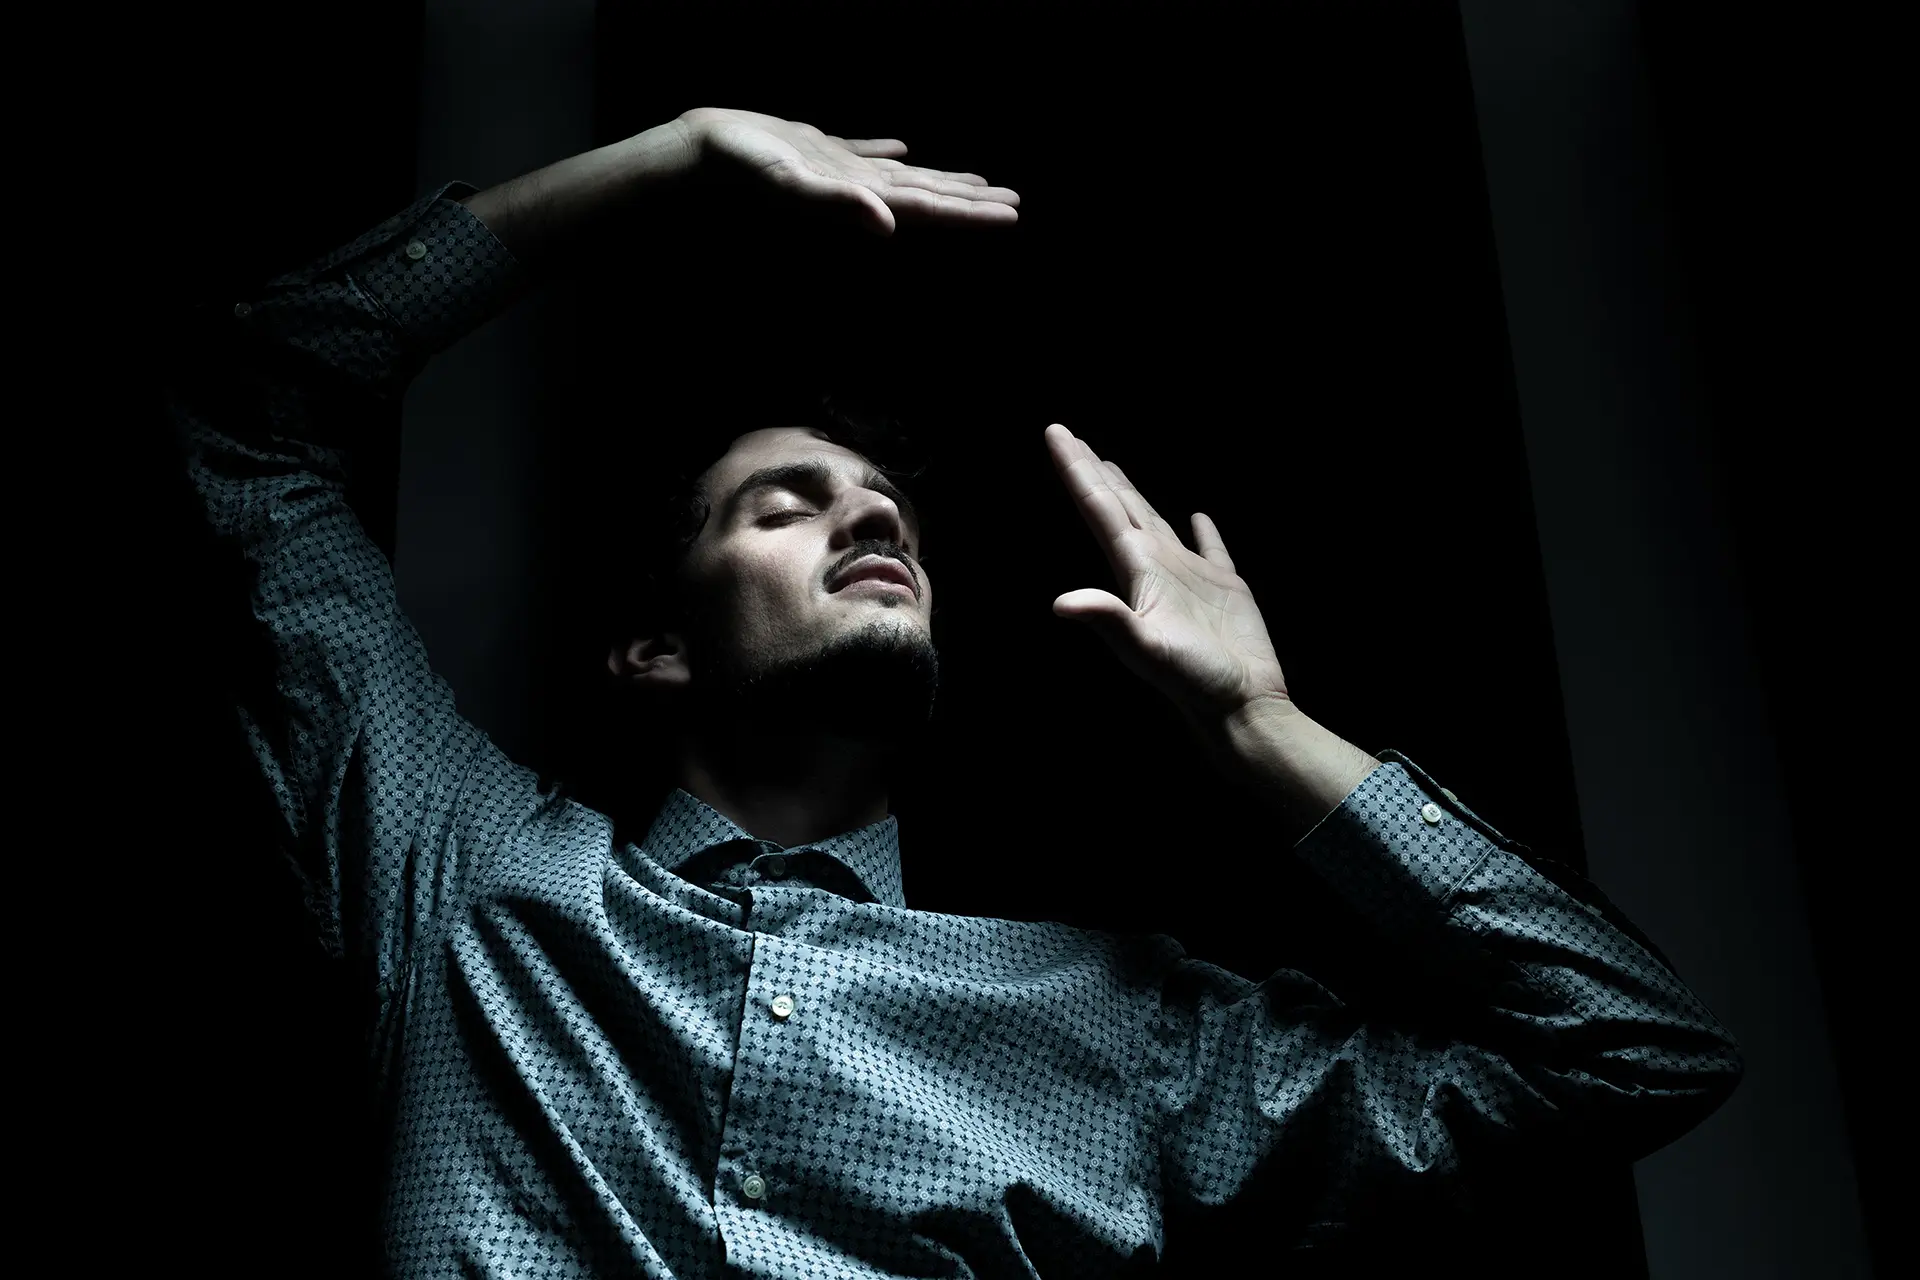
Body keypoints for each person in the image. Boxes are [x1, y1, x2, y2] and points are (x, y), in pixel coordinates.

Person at [165, 107, 1743, 1277]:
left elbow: (1633, 1055)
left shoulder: (1119, 1031)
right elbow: (253, 413)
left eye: (887, 509)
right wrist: (671, 161)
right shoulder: (462, 880)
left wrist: (1260, 726)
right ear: (656, 648)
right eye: (783, 502)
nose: (870, 518)